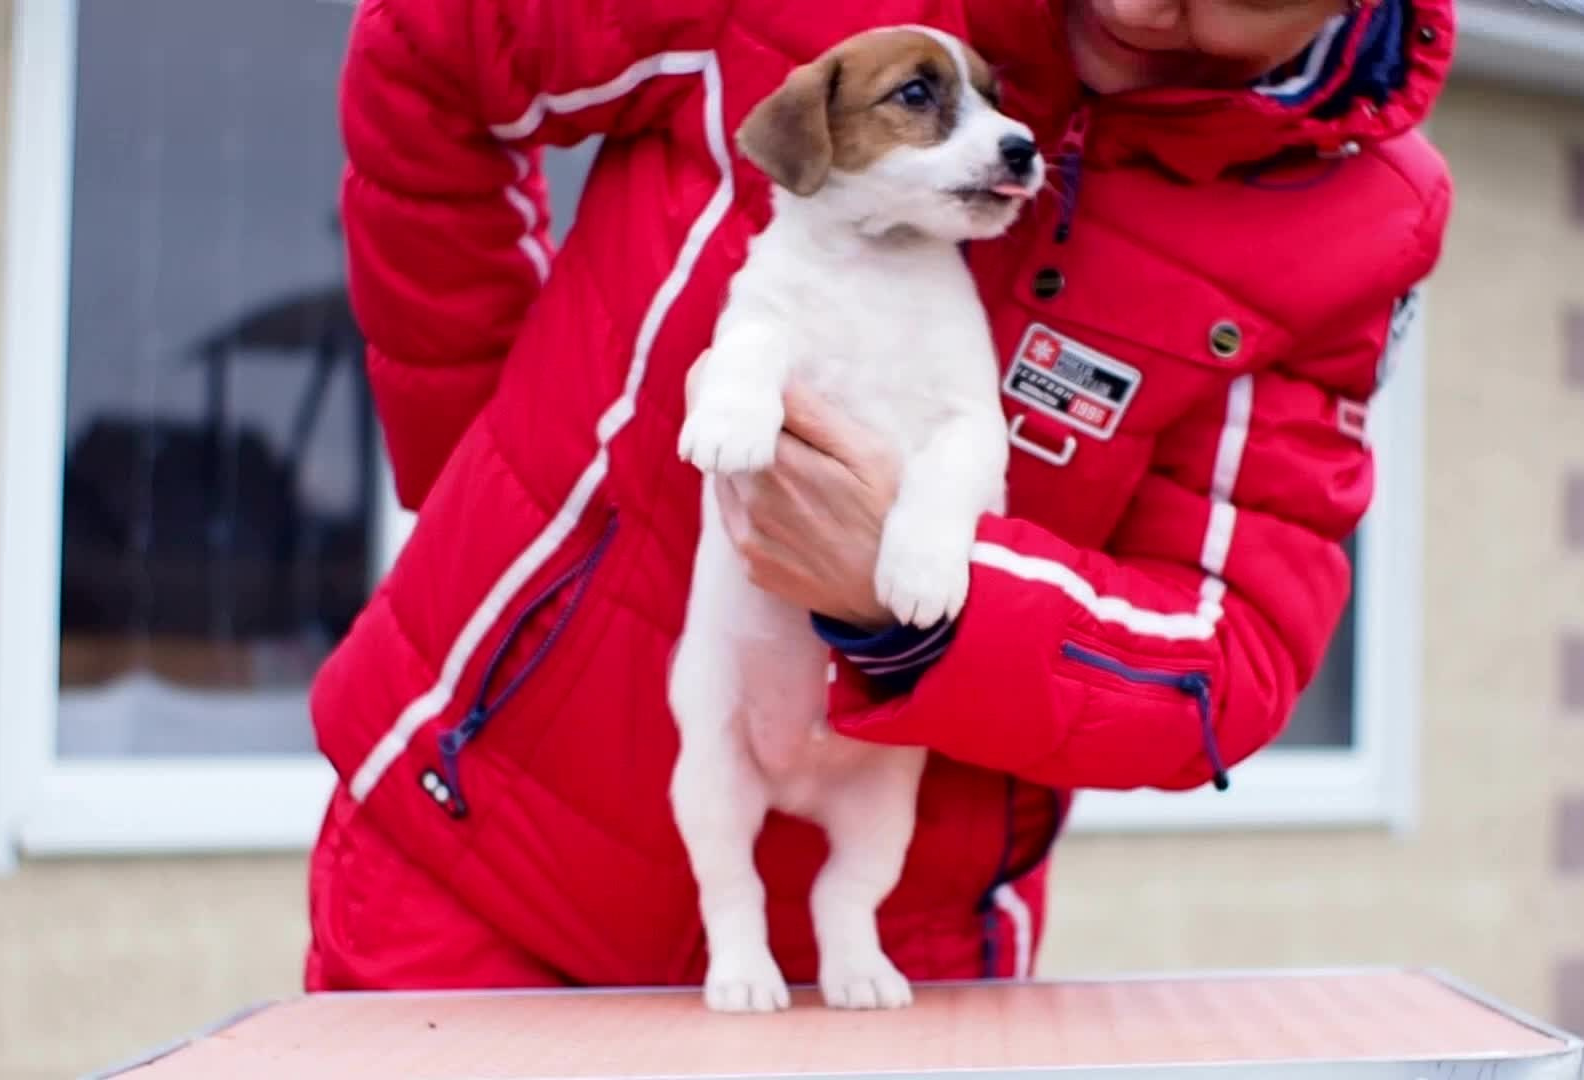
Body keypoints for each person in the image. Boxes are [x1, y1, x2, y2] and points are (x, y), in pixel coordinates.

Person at [305, 0, 1455, 991]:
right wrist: (472, 465)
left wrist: (919, 597)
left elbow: (1227, 649)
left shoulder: (1351, 222)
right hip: (463, 871)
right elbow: (431, 48)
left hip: (878, 966)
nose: (1145, 10)